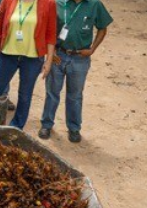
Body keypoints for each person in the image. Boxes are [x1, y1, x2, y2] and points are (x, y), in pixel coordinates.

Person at [38, 0, 111, 142]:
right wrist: (51, 54)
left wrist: (92, 49)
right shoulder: (57, 3)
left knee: (75, 95)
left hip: (80, 58)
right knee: (52, 92)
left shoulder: (94, 5)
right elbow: (49, 29)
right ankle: (46, 124)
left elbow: (103, 28)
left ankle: (74, 128)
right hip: (58, 56)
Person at [0, 0, 56, 129]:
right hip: (7, 55)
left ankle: (16, 128)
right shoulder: (8, 1)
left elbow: (51, 34)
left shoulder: (48, 3)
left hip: (32, 58)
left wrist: (49, 61)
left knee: (25, 96)